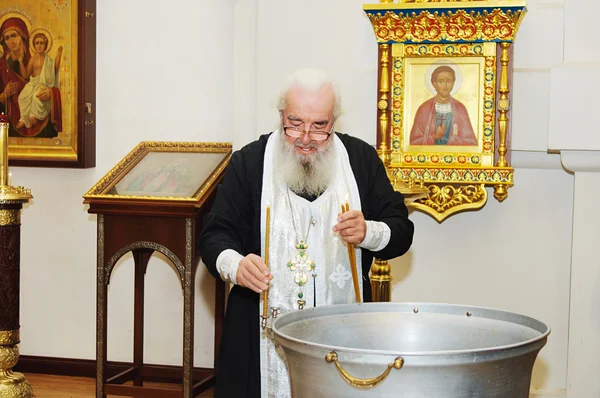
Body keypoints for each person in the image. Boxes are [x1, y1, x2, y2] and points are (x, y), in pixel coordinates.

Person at [199, 68, 414, 397]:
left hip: (343, 332)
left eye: (319, 126)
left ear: (334, 120)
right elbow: (214, 235)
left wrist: (369, 232)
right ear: (281, 114)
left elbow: (401, 230)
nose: (305, 137)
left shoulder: (360, 160)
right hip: (257, 333)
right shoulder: (250, 162)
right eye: (295, 123)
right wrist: (237, 265)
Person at [0, 17, 61, 138]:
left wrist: (50, 93)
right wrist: (3, 95)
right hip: (9, 125)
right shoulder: (1, 65)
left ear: (23, 37)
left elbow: (54, 78)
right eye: (6, 38)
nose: (11, 41)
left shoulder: (35, 59)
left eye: (14, 35)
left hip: (42, 124)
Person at [409, 65, 477, 146]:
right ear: (434, 84)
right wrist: (434, 137)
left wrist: (457, 140)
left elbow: (472, 142)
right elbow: (413, 143)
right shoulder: (424, 109)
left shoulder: (460, 108)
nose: (445, 86)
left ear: (453, 83)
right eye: (441, 81)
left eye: (448, 81)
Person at [16, 32, 63, 129]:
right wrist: (20, 62)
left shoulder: (48, 60)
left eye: (42, 43)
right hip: (32, 83)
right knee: (22, 97)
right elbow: (25, 74)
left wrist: (58, 54)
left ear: (46, 46)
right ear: (34, 45)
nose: (39, 45)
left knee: (36, 97)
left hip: (42, 84)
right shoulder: (33, 59)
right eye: (37, 43)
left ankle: (34, 116)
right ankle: (23, 119)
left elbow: (54, 69)